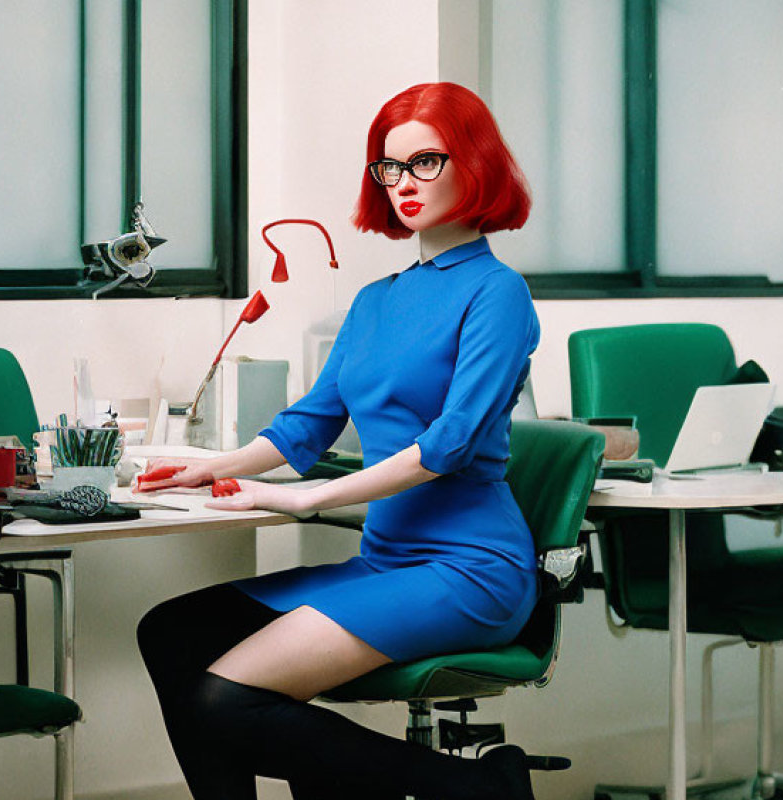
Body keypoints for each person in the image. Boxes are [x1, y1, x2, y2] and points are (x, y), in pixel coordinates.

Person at [136, 81, 540, 800]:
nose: (403, 185)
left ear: (473, 162)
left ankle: (479, 789)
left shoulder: (496, 292)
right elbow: (309, 421)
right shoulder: (376, 299)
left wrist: (306, 500)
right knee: (169, 631)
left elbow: (448, 444)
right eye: (390, 168)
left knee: (226, 700)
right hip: (383, 564)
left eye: (426, 162)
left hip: (471, 570)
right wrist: (212, 468)